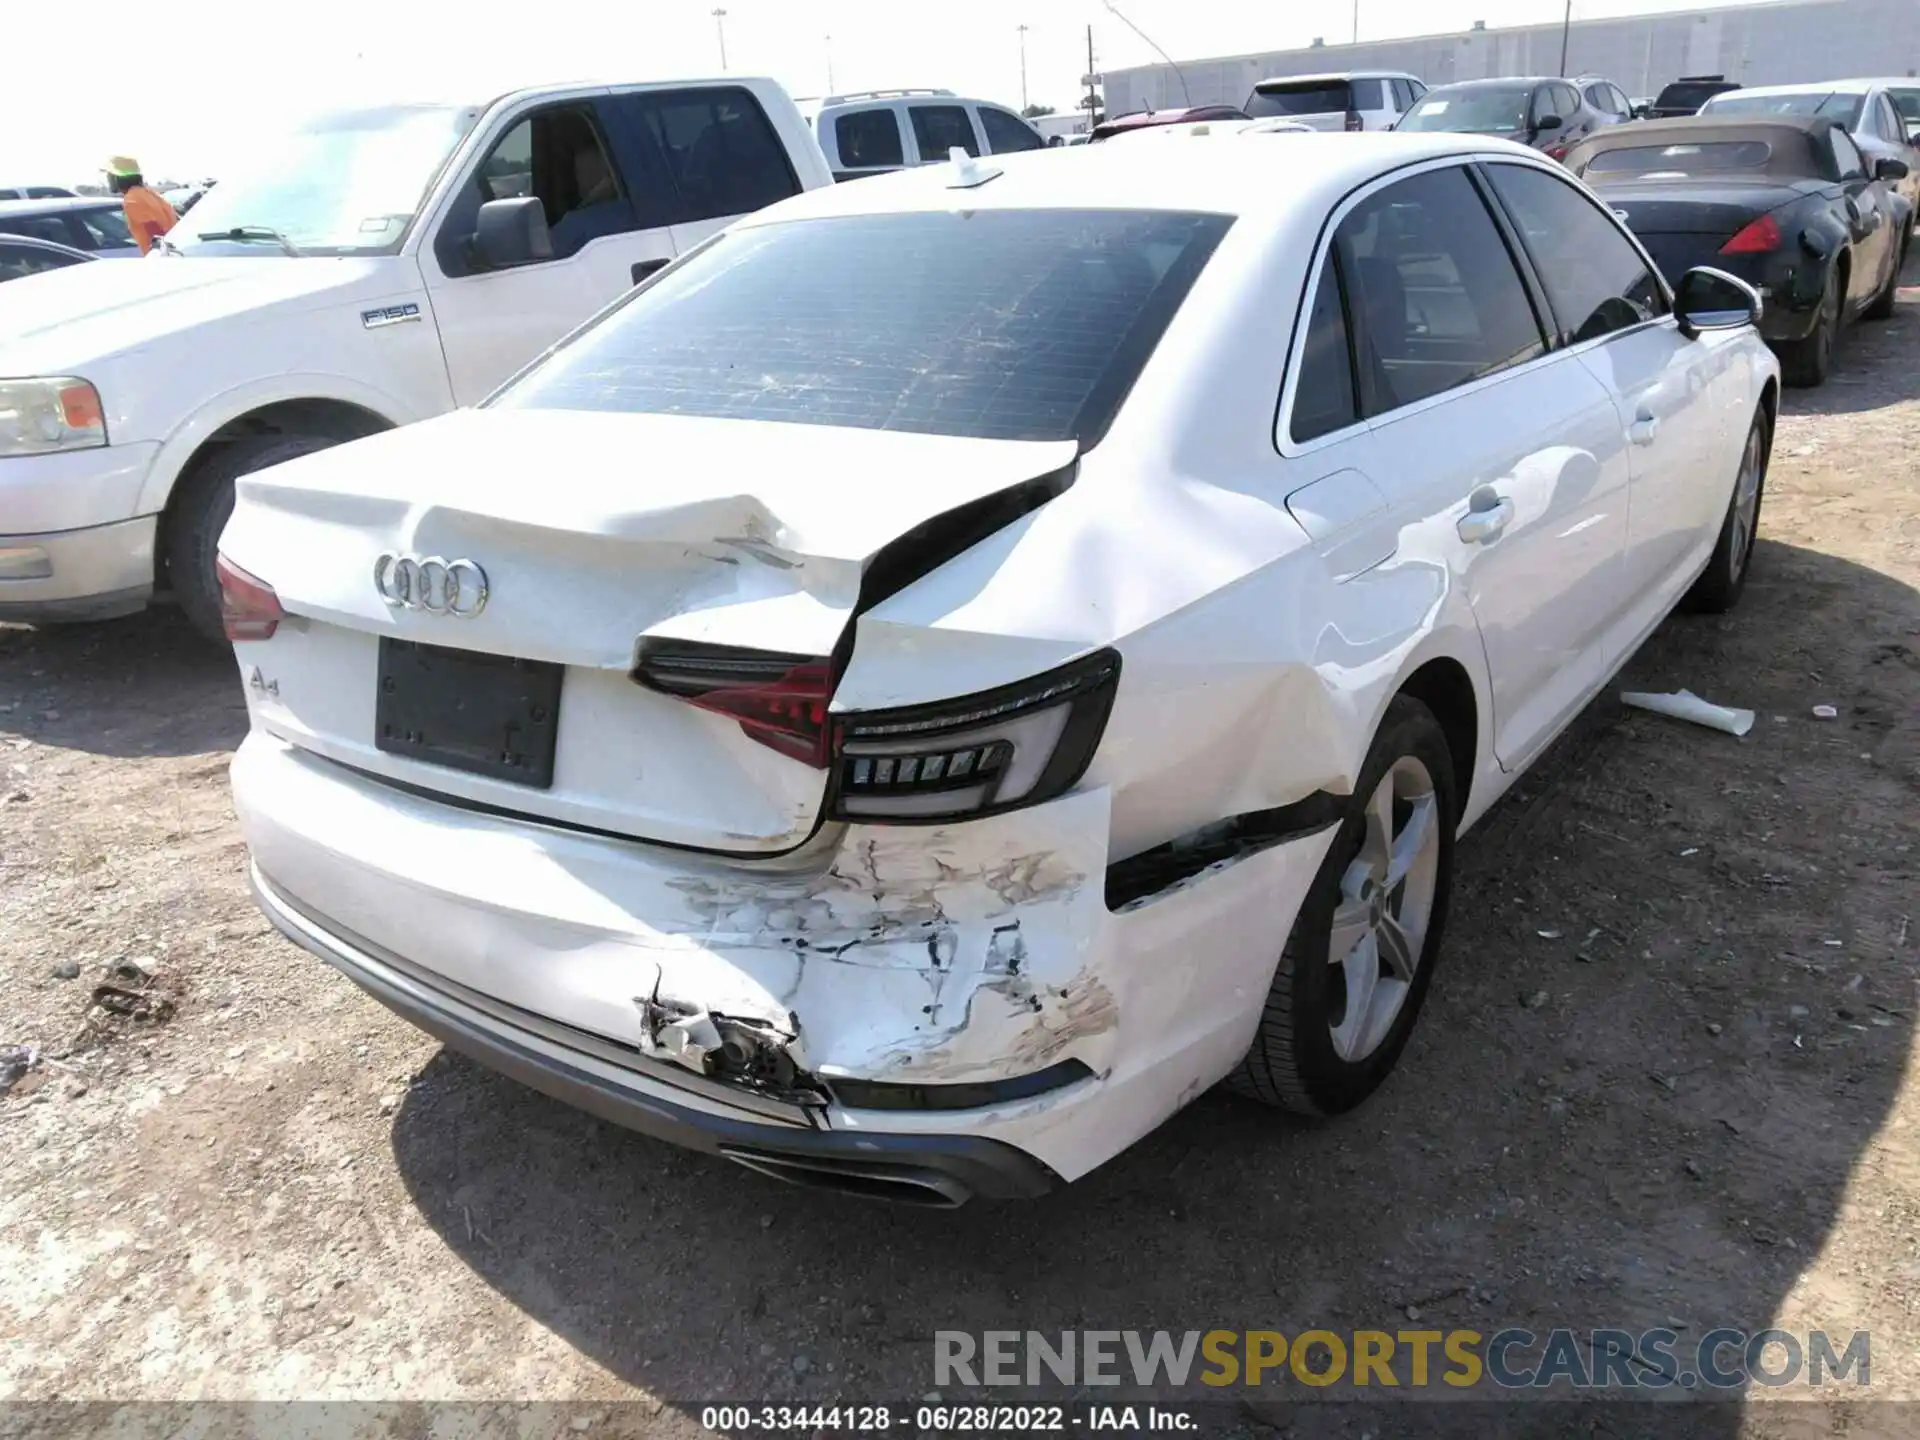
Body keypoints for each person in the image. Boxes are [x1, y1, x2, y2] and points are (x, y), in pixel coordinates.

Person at [106, 157, 179, 254]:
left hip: (161, 257)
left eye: (109, 174)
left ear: (116, 177)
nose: (107, 178)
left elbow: (156, 234)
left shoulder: (132, 199)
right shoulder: (150, 193)